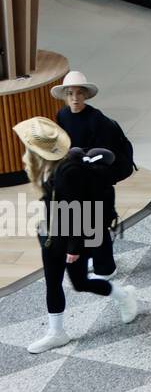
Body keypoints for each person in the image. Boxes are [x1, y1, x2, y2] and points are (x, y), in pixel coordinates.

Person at [15, 117, 138, 354]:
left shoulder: (67, 172)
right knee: (52, 283)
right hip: (52, 233)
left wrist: (73, 248)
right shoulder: (48, 167)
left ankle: (124, 296)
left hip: (71, 238)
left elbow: (78, 212)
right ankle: (56, 333)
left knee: (80, 283)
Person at [52, 71, 135, 280]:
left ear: (86, 95)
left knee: (97, 221)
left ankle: (106, 268)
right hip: (77, 179)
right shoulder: (62, 116)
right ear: (65, 95)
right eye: (70, 93)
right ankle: (90, 256)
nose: (74, 98)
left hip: (97, 180)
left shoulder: (98, 120)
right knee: (80, 220)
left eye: (79, 93)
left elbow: (107, 158)